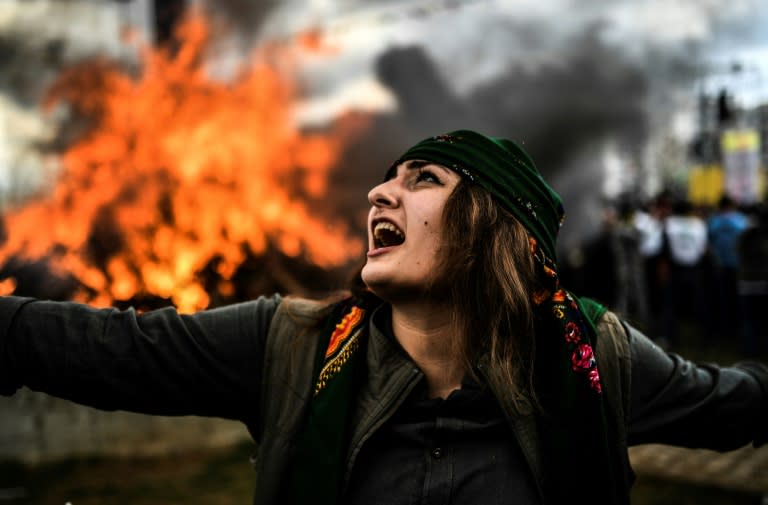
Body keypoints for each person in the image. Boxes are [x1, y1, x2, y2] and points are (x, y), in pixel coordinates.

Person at [0, 130, 766, 505]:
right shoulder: (292, 344)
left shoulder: (595, 356)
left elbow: (738, 405)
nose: (378, 195)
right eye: (385, 179)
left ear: (495, 227)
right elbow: (109, 349)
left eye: (422, 179)